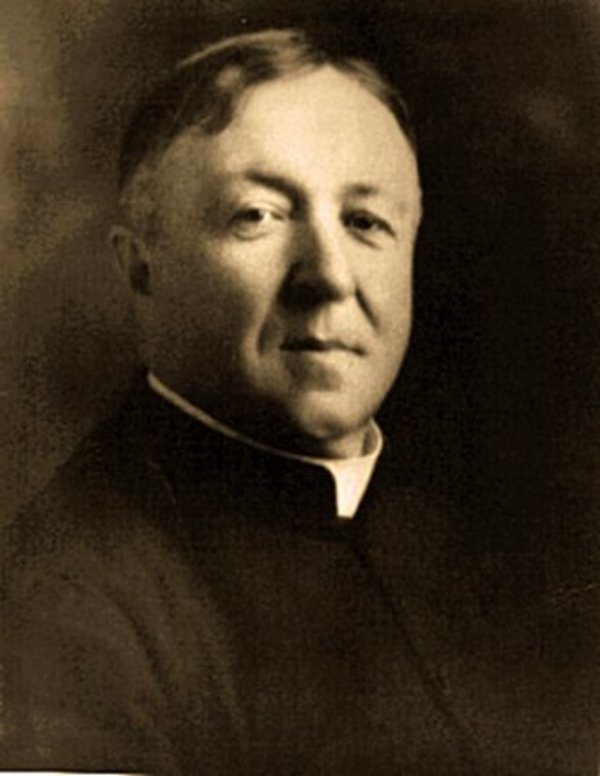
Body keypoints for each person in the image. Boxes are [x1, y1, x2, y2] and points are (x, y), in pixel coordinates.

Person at [1, 28, 595, 776]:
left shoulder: (479, 563)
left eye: (365, 222)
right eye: (257, 215)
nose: (329, 276)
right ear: (141, 266)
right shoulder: (62, 606)